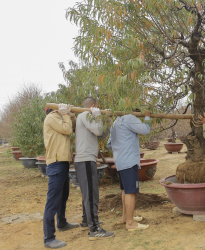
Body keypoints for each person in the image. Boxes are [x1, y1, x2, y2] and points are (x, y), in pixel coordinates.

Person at [74, 97, 114, 239]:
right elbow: (98, 131)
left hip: (87, 159)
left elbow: (102, 134)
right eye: (97, 107)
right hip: (84, 160)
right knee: (91, 195)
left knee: (88, 193)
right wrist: (97, 116)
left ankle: (87, 221)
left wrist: (107, 121)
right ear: (93, 106)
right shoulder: (85, 115)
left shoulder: (89, 118)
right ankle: (94, 229)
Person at [107, 109, 151, 231]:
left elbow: (109, 144)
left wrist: (119, 153)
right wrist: (147, 117)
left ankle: (126, 217)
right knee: (131, 192)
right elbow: (146, 130)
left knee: (125, 190)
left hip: (120, 161)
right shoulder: (130, 118)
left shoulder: (116, 121)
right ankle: (130, 223)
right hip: (129, 161)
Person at [42, 104, 79, 249]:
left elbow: (73, 127)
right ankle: (49, 237)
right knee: (53, 201)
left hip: (63, 161)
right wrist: (64, 115)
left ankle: (62, 222)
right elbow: (68, 130)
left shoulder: (62, 118)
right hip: (56, 162)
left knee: (63, 196)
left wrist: (72, 115)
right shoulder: (51, 118)